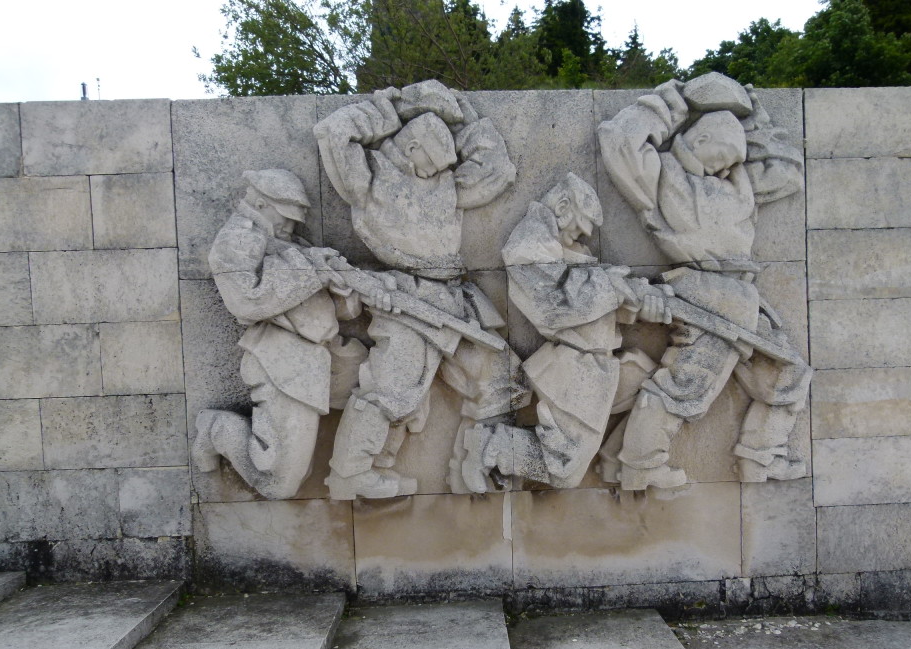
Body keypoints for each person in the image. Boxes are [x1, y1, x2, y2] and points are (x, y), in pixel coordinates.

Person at [314, 80, 529, 499]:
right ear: (411, 148)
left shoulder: (446, 185)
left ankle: (474, 464)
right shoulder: (370, 178)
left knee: (503, 377)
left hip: (453, 300)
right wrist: (390, 110)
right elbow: (333, 132)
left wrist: (462, 117)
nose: (438, 173)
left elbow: (497, 171)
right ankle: (352, 472)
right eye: (431, 162)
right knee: (394, 390)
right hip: (406, 298)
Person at [597, 75, 812, 489]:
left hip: (743, 295)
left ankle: (760, 457)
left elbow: (786, 172)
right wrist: (673, 100)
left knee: (787, 373)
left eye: (738, 156)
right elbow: (620, 138)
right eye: (726, 153)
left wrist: (753, 116)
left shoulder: (737, 182)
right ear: (699, 139)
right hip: (705, 291)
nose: (732, 164)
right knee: (687, 384)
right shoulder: (663, 176)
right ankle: (640, 465)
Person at [460, 174, 670, 491]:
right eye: (579, 225)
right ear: (561, 206)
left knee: (658, 394)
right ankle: (494, 446)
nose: (582, 235)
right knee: (566, 471)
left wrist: (638, 299)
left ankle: (624, 462)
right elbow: (554, 306)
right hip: (576, 369)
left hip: (600, 365)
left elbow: (592, 296)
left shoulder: (557, 245)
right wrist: (613, 287)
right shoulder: (528, 245)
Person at [191, 169, 364, 499]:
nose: (290, 226)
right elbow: (246, 300)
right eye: (284, 217)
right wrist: (313, 269)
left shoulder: (281, 242)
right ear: (259, 202)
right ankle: (218, 432)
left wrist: (341, 284)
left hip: (321, 358)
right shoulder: (236, 240)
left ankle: (364, 470)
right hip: (282, 364)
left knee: (386, 392)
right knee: (280, 483)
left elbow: (321, 302)